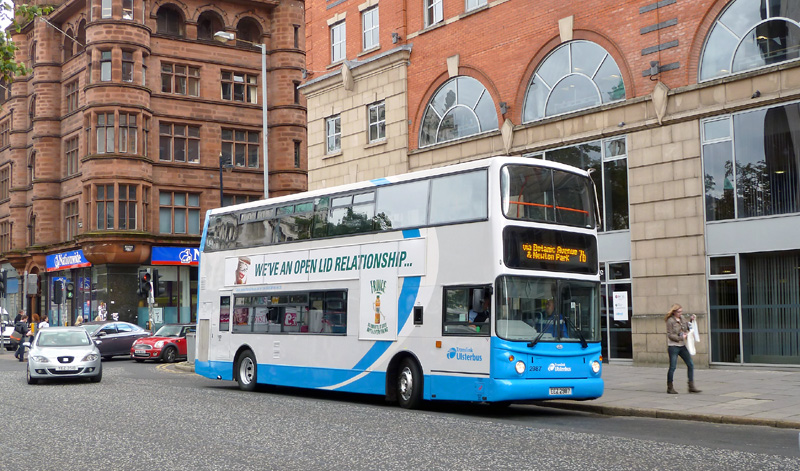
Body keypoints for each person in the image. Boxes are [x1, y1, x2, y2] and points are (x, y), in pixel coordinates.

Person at [665, 303, 701, 394]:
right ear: (674, 312)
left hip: (682, 345)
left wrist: (691, 320)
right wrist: (681, 337)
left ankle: (691, 386)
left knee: (690, 364)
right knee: (673, 367)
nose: (680, 313)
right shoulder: (670, 321)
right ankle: (670, 387)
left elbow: (686, 327)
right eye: (679, 312)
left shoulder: (682, 318)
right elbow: (670, 335)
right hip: (673, 346)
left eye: (681, 311)